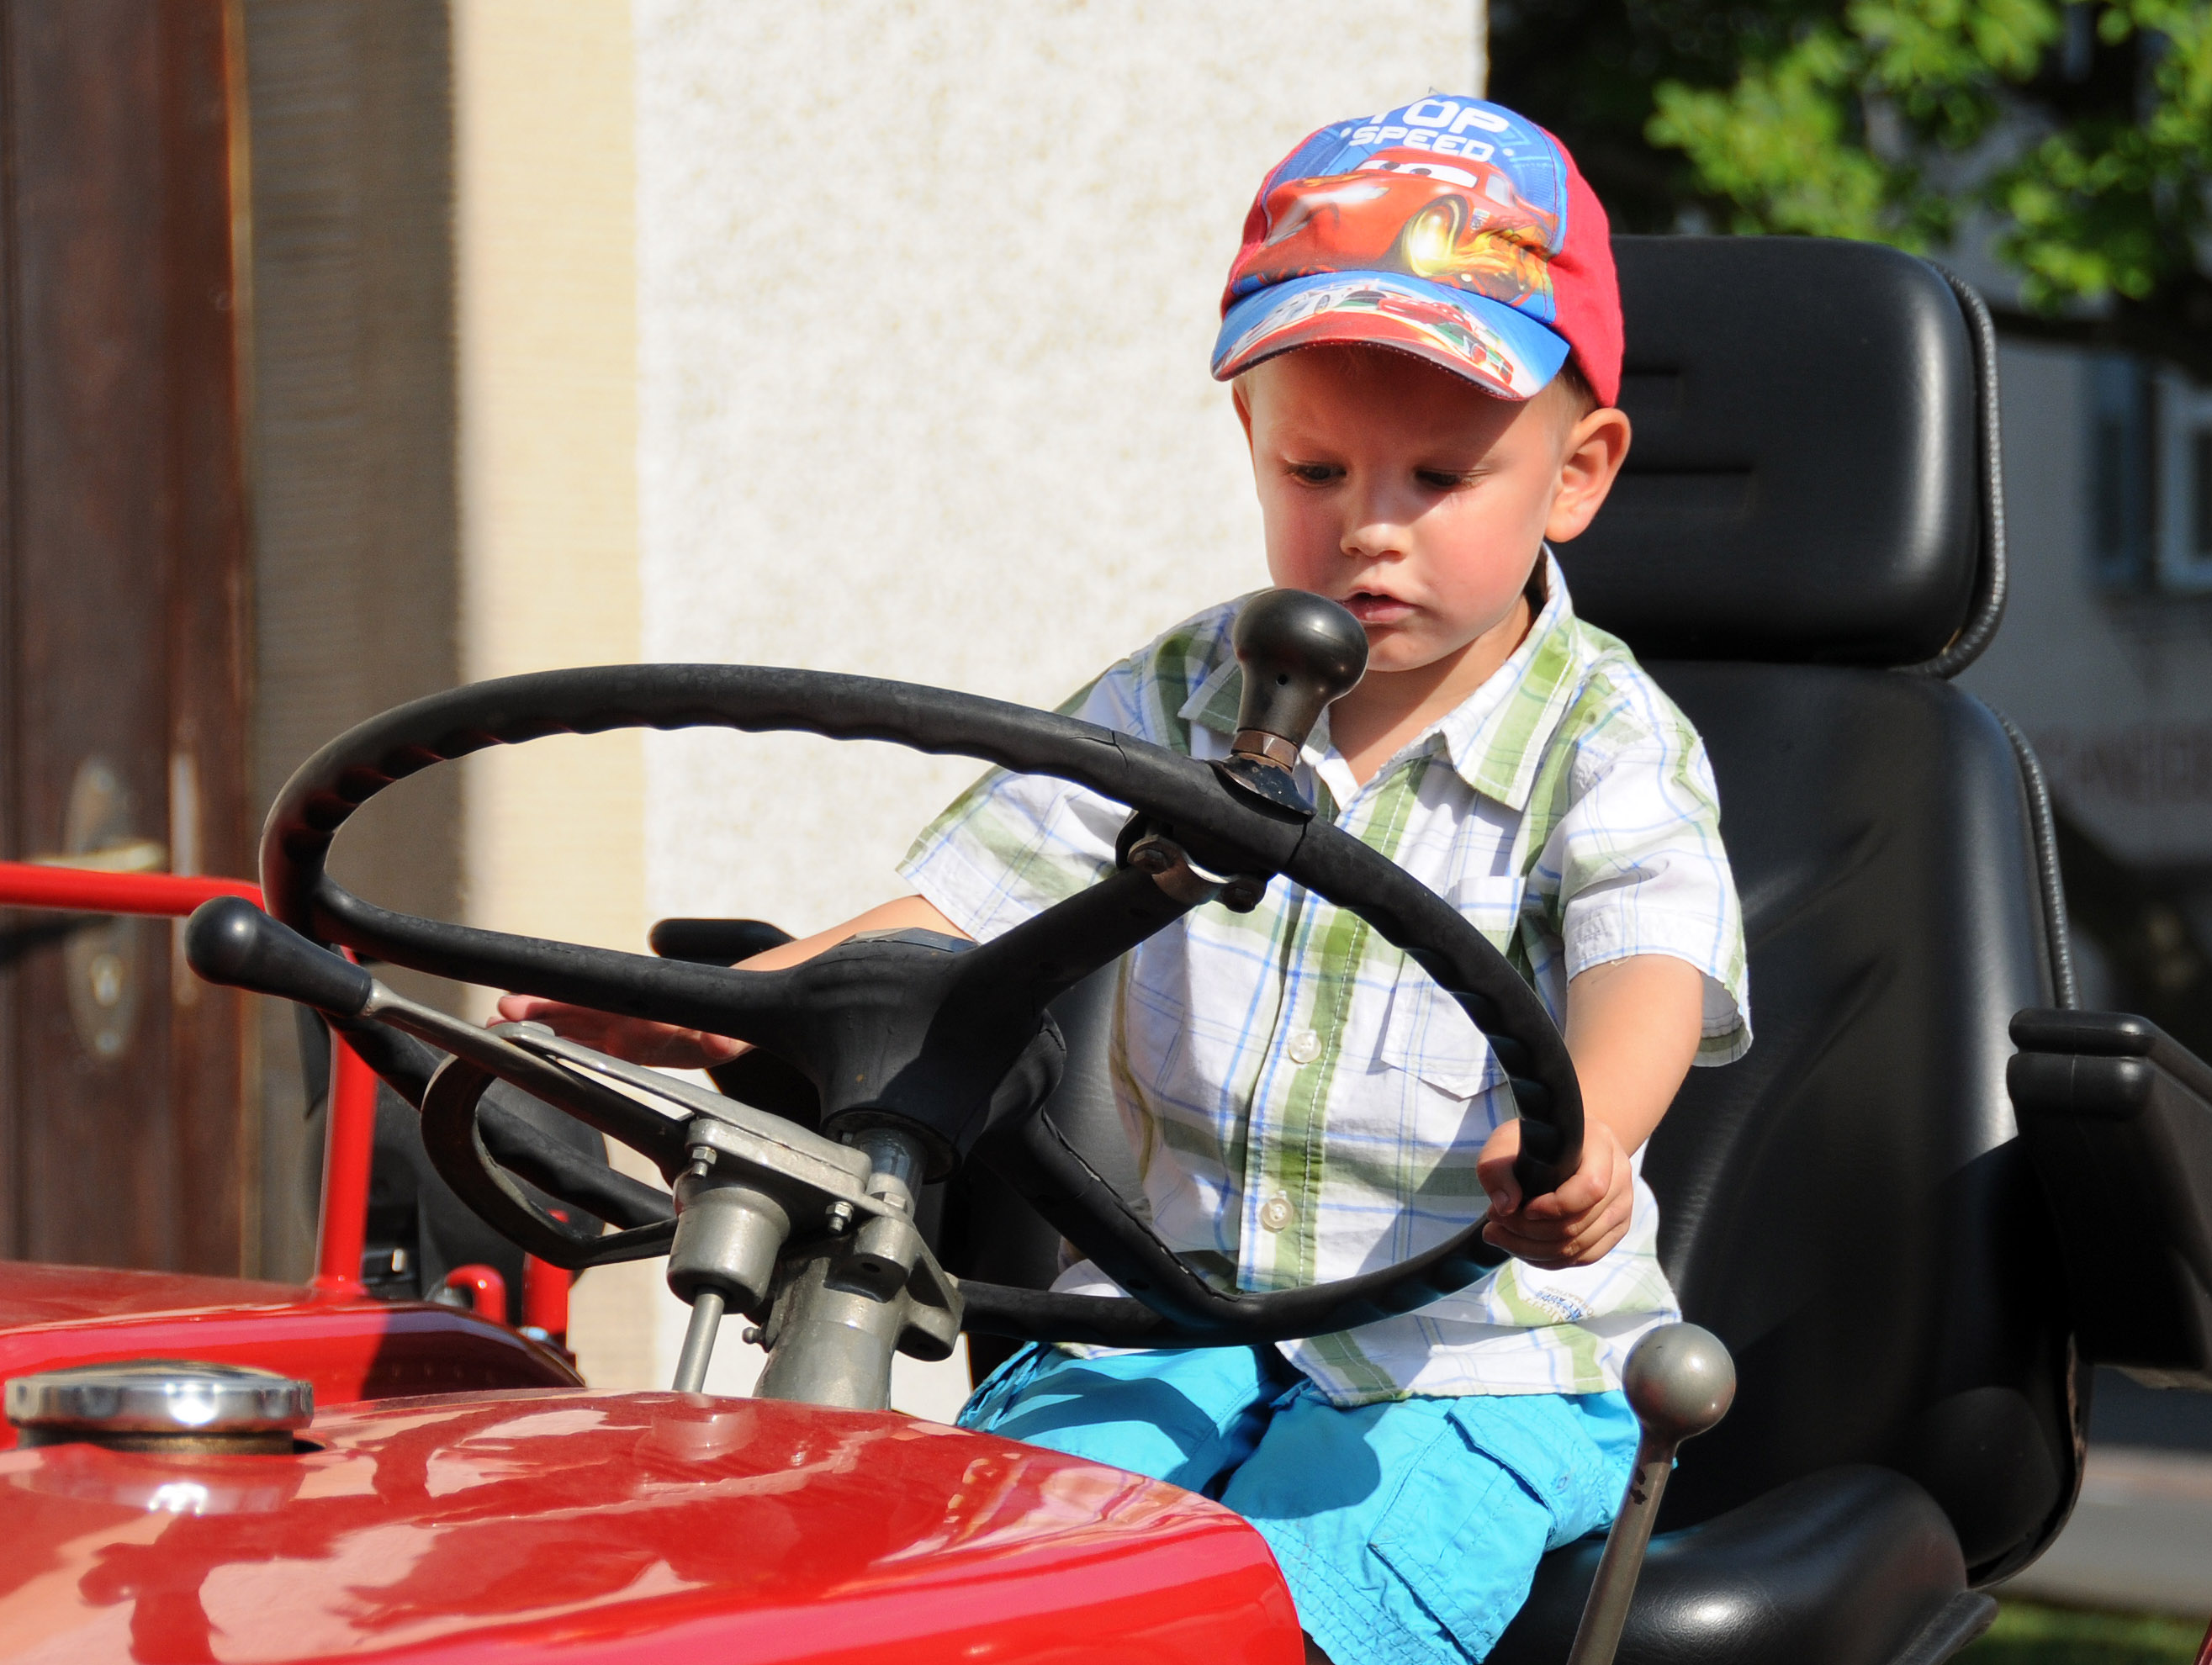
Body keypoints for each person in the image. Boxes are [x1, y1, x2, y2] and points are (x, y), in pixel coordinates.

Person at [505, 95, 1749, 1665]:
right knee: (985, 1575)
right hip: (1171, 1316)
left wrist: (1586, 1135)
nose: (1366, 530)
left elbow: (1650, 968)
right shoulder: (1180, 692)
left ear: (1575, 474)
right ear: (1251, 445)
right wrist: (730, 1003)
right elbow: (964, 909)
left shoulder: (1606, 738)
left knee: (1286, 1617)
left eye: (1437, 478)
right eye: (1315, 467)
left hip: (1480, 1355)